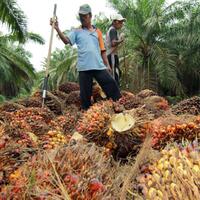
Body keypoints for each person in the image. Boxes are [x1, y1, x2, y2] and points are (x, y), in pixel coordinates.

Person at [50, 4, 121, 110]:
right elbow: (66, 41)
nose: (82, 18)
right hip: (84, 68)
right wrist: (57, 28)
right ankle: (86, 116)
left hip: (98, 66)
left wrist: (107, 65)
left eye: (85, 16)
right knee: (85, 96)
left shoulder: (98, 32)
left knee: (111, 85)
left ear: (90, 15)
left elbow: (102, 51)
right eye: (81, 16)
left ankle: (119, 106)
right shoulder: (76, 31)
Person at [106, 14, 126, 86]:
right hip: (112, 56)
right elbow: (113, 43)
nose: (122, 24)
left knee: (118, 73)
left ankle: (113, 94)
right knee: (114, 75)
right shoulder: (113, 30)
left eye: (122, 22)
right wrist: (121, 40)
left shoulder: (112, 30)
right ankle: (114, 95)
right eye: (120, 22)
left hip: (112, 55)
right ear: (115, 22)